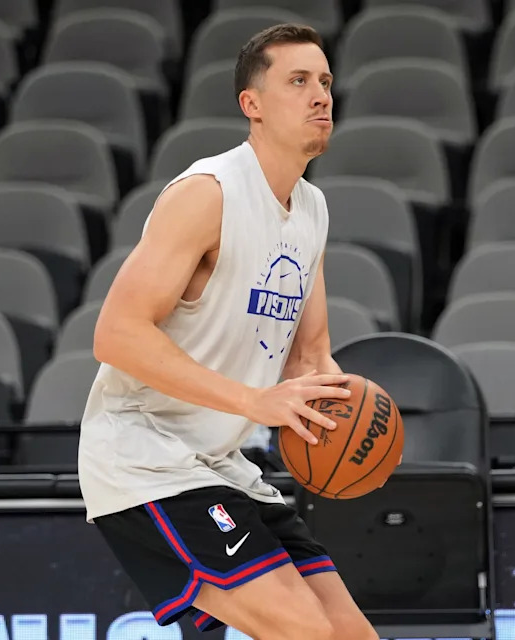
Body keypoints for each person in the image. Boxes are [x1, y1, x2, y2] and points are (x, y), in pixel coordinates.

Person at [78, 21, 382, 640]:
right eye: (298, 81)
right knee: (306, 632)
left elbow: (310, 357)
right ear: (252, 104)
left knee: (350, 634)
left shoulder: (312, 208)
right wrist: (252, 401)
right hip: (145, 456)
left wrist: (350, 421)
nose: (320, 96)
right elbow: (116, 335)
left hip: (219, 461)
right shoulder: (208, 193)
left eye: (325, 82)